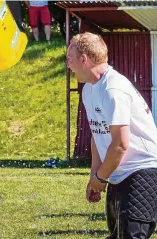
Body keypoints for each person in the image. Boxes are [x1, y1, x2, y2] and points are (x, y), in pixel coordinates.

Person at [67, 32, 157, 239]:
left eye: (69, 59)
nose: (68, 65)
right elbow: (97, 135)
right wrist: (94, 176)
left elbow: (120, 144)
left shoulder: (113, 88)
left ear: (84, 59)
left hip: (143, 171)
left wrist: (101, 177)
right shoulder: (89, 90)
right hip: (118, 173)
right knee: (117, 235)